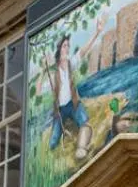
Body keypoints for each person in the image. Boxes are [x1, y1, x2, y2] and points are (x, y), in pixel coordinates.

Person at [41, 18, 105, 155]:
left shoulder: (71, 63)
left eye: (68, 46)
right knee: (53, 141)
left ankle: (81, 148)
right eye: (65, 46)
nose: (67, 48)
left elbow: (83, 50)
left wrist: (97, 33)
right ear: (59, 49)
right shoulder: (53, 74)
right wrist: (42, 70)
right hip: (60, 110)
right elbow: (39, 90)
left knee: (85, 122)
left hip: (73, 104)